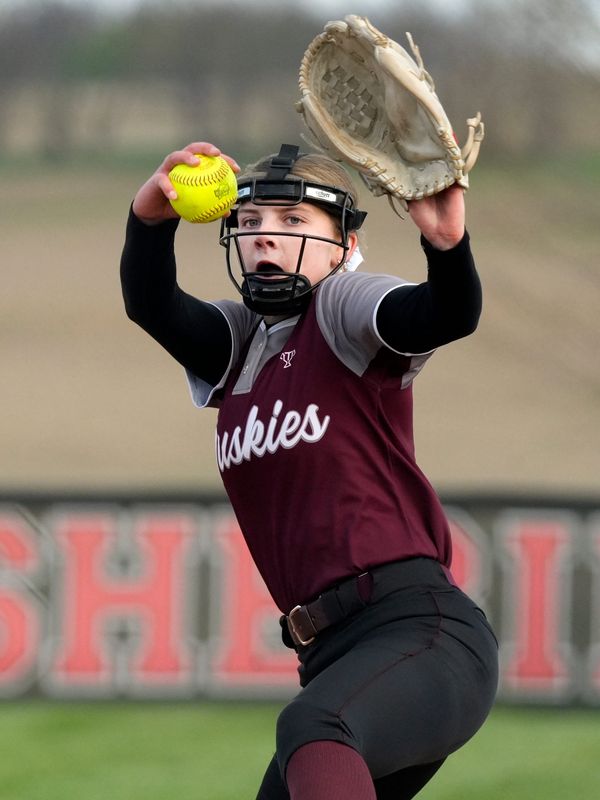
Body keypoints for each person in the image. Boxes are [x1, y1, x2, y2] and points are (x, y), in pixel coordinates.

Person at [120, 140, 498, 800]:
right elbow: (153, 304)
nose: (267, 236)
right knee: (310, 737)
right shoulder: (240, 343)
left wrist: (447, 249)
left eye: (294, 222)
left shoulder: (342, 307)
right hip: (333, 655)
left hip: (421, 632)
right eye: (251, 222)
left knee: (315, 726)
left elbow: (443, 313)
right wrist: (150, 218)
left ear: (343, 242)